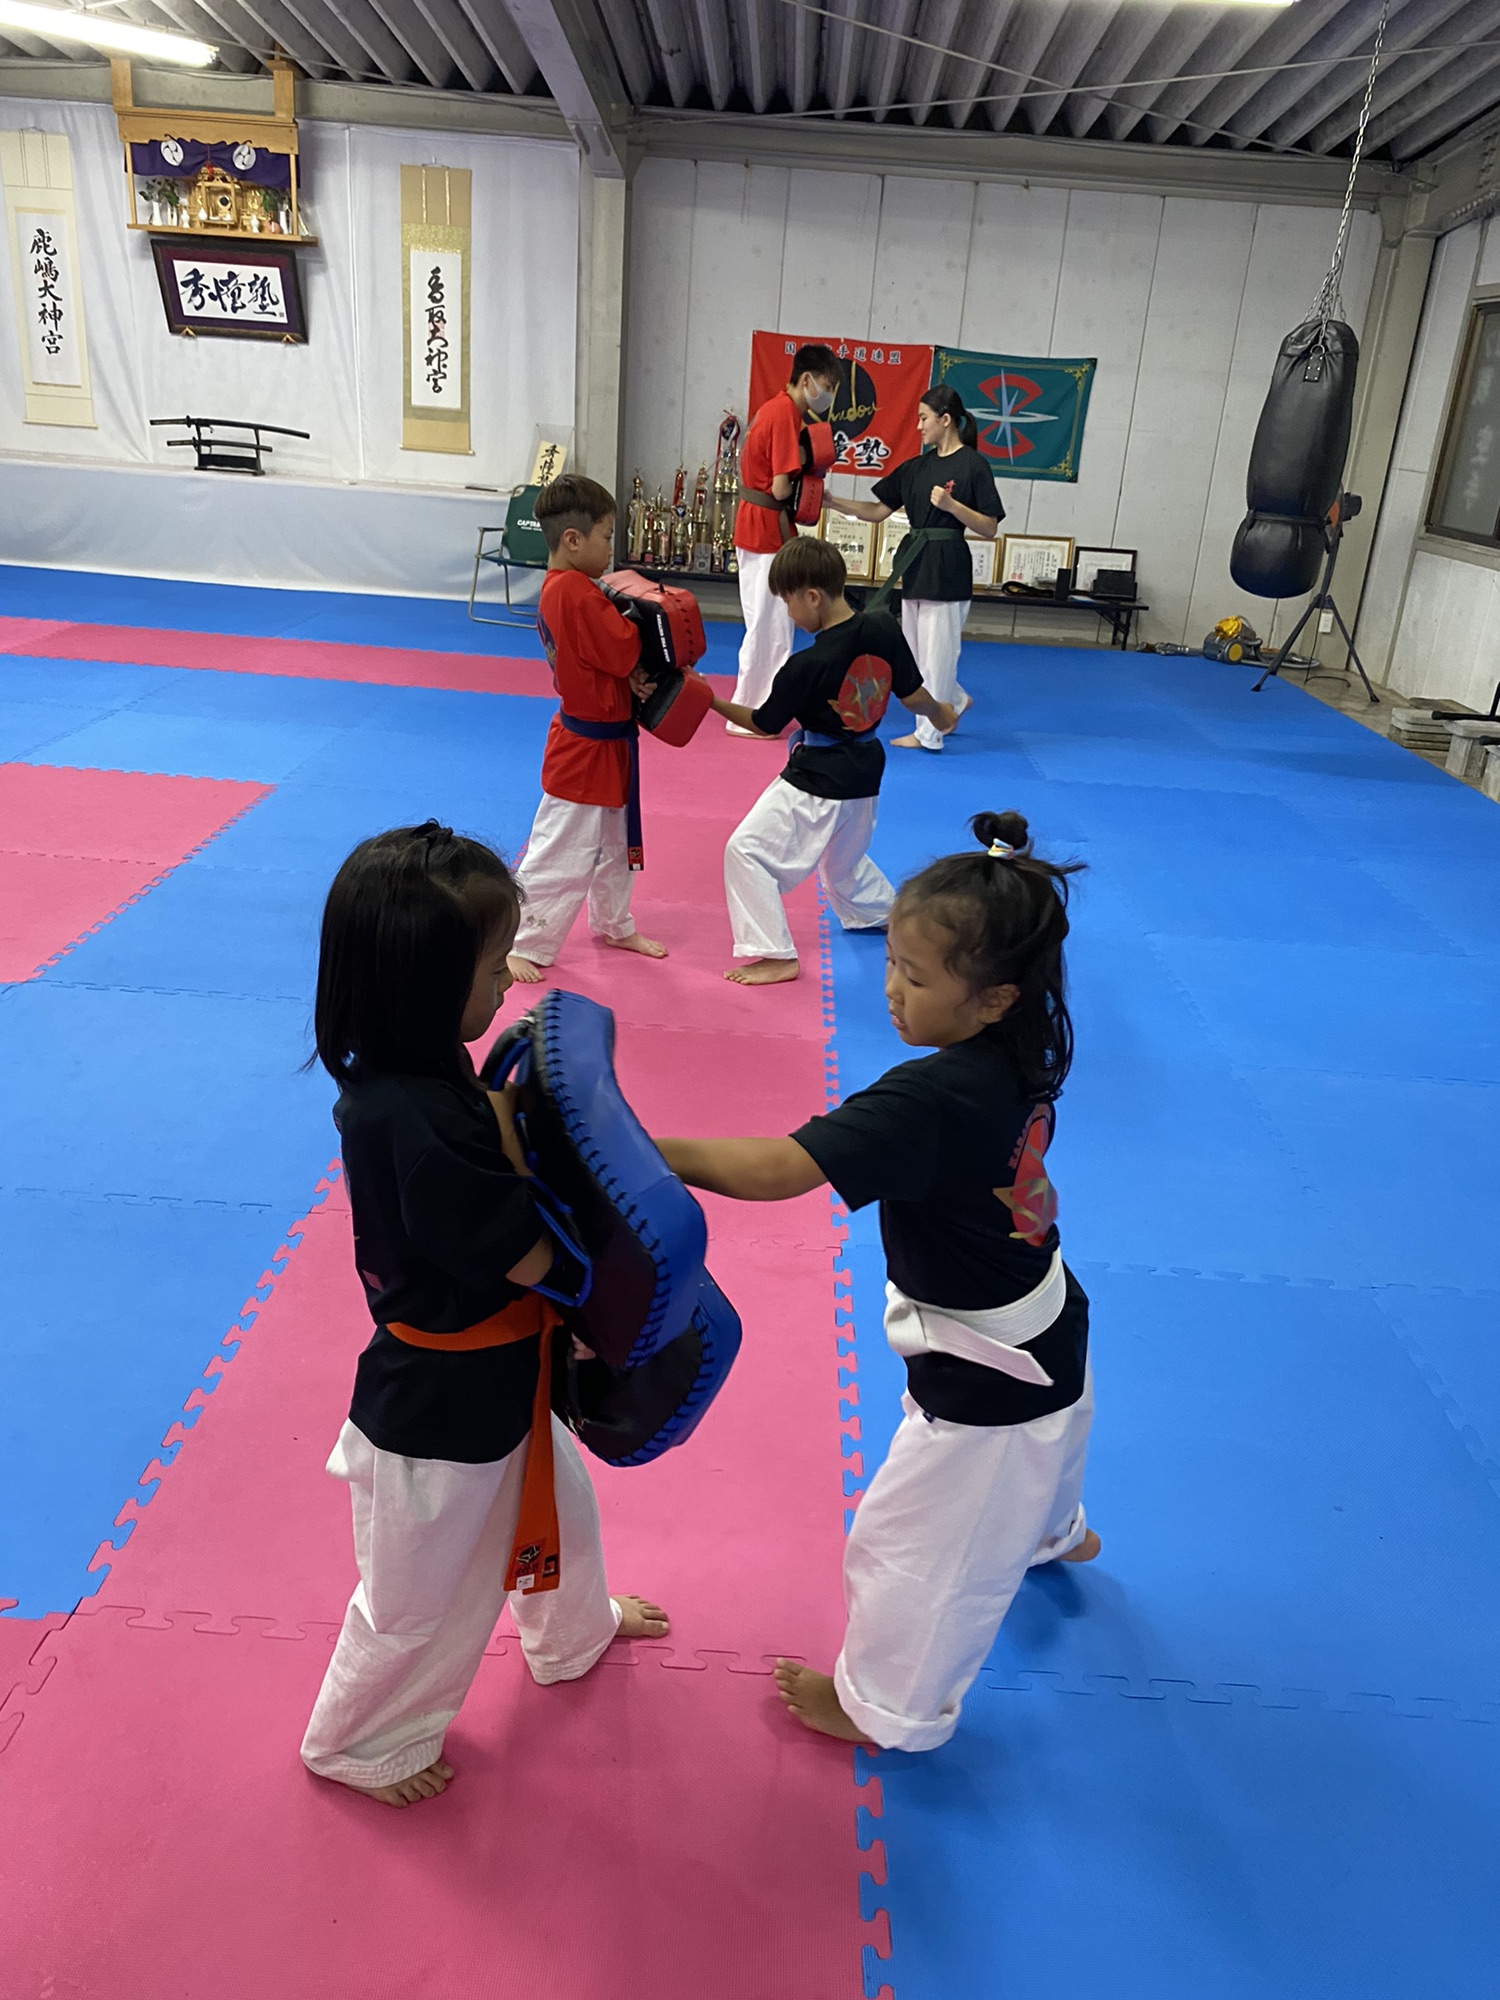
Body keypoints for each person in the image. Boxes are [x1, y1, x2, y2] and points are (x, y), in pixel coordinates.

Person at [657, 812, 1097, 1751]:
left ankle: (884, 1708)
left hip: (990, 1375)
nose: (891, 989)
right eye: (892, 962)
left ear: (993, 998)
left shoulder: (930, 1099)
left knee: (911, 1551)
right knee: (1051, 1441)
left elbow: (780, 1169)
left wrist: (641, 1148)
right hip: (1048, 1314)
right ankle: (1055, 1531)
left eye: (917, 978)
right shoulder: (1026, 1049)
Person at [301, 823, 668, 1806]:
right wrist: (585, 1194)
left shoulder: (416, 1075)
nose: (509, 977)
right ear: (425, 987)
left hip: (498, 1378)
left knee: (563, 1513)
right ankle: (356, 1741)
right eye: (493, 962)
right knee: (420, 1598)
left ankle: (573, 1632)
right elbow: (538, 1259)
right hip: (436, 1413)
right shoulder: (420, 1126)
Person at [710, 536, 956, 988]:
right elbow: (913, 696)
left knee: (745, 851)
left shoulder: (805, 665)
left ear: (812, 596)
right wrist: (941, 713)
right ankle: (890, 916)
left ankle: (775, 954)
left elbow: (764, 723)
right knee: (843, 863)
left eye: (788, 602)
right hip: (866, 771)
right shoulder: (882, 627)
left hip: (818, 778)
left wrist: (710, 700)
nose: (789, 613)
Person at [508, 472, 666, 984]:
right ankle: (519, 941)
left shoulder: (571, 587)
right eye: (606, 537)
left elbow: (604, 661)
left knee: (616, 848)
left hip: (609, 737)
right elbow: (623, 647)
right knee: (560, 851)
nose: (611, 548)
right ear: (573, 540)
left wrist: (630, 677)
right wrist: (644, 622)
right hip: (584, 748)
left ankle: (614, 924)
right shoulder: (574, 593)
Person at [826, 382, 1003, 753]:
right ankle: (954, 700)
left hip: (948, 567)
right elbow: (878, 511)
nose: (919, 426)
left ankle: (930, 733)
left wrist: (953, 507)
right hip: (916, 565)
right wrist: (833, 502)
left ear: (945, 419)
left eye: (924, 418)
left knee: (938, 656)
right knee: (913, 655)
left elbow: (989, 527)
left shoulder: (973, 465)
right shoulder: (916, 468)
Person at [728, 341, 843, 733]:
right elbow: (780, 488)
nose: (828, 395)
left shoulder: (776, 409)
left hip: (757, 523)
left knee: (765, 621)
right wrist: (808, 482)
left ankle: (758, 707)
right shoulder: (783, 414)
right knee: (771, 624)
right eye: (827, 385)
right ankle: (755, 713)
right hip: (765, 527)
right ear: (807, 380)